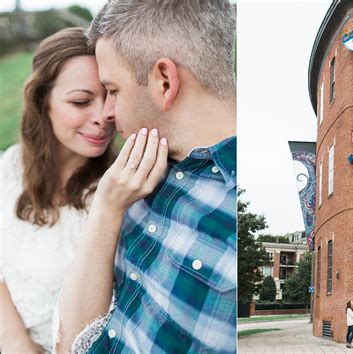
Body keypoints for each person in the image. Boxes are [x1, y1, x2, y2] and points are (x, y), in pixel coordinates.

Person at [55, 0, 236, 353]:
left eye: (113, 90)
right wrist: (107, 206)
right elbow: (70, 344)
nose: (106, 112)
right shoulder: (134, 171)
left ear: (165, 81)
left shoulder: (232, 215)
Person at [0, 27, 117, 353]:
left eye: (110, 94)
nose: (103, 117)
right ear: (42, 101)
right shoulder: (9, 168)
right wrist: (16, 342)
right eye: (81, 101)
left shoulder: (119, 192)